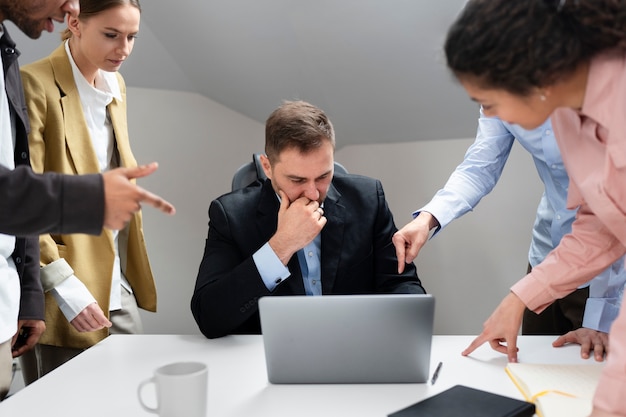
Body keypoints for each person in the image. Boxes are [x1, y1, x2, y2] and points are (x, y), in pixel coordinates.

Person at [443, 0, 626, 416]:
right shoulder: (566, 116)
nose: (488, 115)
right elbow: (602, 221)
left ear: (531, 75)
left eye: (487, 102)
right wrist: (519, 298)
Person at [0, 0, 174, 400]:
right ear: (75, 23)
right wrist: (66, 288)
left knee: (136, 400)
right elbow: (25, 200)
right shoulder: (33, 84)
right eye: (111, 35)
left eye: (132, 37)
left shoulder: (118, 86)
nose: (124, 49)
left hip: (118, 284)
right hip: (63, 288)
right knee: (68, 405)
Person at [392, 114, 625, 360]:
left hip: (606, 270)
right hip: (546, 254)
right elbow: (479, 166)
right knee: (533, 366)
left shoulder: (603, 99)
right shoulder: (496, 93)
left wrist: (602, 314)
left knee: (594, 373)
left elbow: (606, 224)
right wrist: (427, 218)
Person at [191, 100, 425, 339]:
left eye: (324, 176)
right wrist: (281, 245)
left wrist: (409, 329)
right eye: (297, 180)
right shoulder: (230, 215)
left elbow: (401, 283)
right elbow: (209, 318)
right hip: (268, 356)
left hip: (355, 344)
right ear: (267, 166)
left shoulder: (368, 199)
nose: (313, 193)